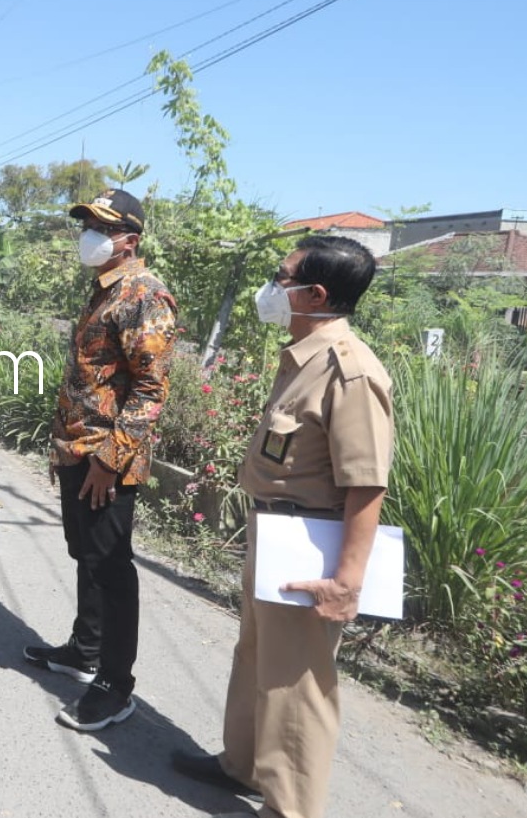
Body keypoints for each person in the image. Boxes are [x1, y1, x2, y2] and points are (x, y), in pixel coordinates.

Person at [171, 235, 394, 818]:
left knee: (296, 688)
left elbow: (366, 483)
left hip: (309, 548)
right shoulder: (305, 357)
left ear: (315, 293)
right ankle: (241, 765)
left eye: (283, 275)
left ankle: (290, 808)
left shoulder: (351, 373)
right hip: (274, 536)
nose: (273, 286)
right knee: (256, 658)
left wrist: (346, 582)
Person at [24, 188, 178, 732]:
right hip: (78, 450)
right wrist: (61, 445)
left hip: (107, 460)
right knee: (86, 555)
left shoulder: (144, 295)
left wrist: (109, 460)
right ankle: (84, 651)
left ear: (129, 239)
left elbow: (149, 390)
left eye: (100, 226)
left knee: (111, 567)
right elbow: (87, 379)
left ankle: (115, 684)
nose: (88, 234)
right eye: (86, 223)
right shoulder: (103, 290)